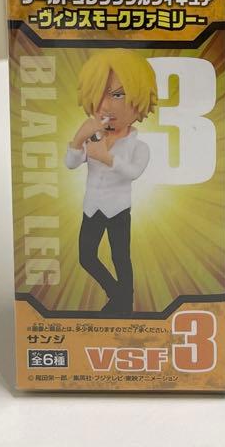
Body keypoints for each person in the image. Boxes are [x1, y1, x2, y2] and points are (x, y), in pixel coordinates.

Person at [65, 50, 157, 314]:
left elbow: (134, 172)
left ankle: (124, 303)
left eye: (118, 95)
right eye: (99, 94)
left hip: (118, 210)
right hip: (91, 207)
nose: (106, 106)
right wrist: (77, 140)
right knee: (86, 257)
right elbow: (71, 163)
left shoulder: (139, 147)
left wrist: (106, 158)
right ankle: (118, 295)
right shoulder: (94, 137)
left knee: (121, 258)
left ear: (140, 99)